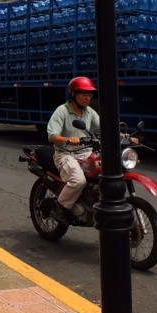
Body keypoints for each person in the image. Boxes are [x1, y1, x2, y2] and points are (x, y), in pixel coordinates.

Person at [46, 76, 100, 220]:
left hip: (86, 153)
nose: (87, 98)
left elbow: (103, 128)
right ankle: (60, 207)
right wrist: (69, 139)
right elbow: (52, 136)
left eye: (90, 95)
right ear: (73, 94)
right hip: (65, 153)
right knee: (78, 181)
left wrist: (124, 136)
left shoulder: (89, 112)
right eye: (83, 94)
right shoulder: (62, 111)